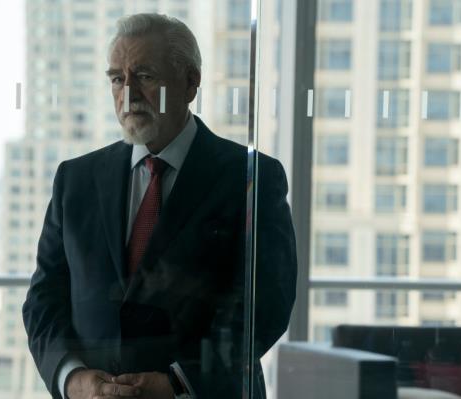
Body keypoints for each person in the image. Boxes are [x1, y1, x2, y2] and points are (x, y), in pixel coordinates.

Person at [22, 13, 297, 399]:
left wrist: (179, 382)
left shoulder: (252, 177)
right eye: (117, 78)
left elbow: (266, 304)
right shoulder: (76, 179)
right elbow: (43, 298)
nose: (129, 93)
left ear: (190, 82)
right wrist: (72, 378)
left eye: (146, 76)